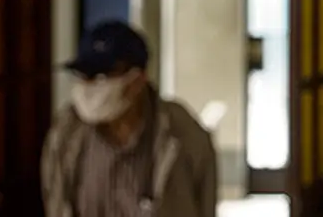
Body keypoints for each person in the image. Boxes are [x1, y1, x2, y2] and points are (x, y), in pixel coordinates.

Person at [41, 20, 218, 217]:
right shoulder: (66, 133)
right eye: (83, 75)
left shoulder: (181, 134)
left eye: (101, 76)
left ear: (137, 79)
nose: (89, 87)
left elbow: (204, 204)